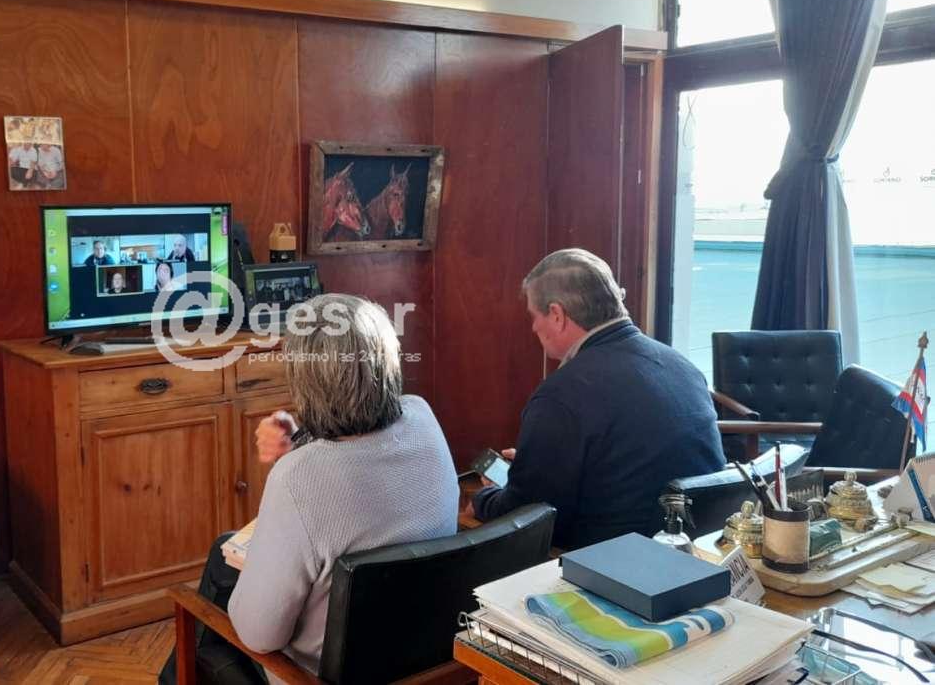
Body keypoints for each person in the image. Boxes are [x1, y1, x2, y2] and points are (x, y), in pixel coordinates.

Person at [158, 294, 458, 683]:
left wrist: (296, 454)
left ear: (303, 380)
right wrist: (300, 436)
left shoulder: (298, 478)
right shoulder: (423, 417)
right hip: (420, 658)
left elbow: (260, 636)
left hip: (318, 676)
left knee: (203, 623)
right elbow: (359, 450)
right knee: (224, 550)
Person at [471, 248, 724, 550]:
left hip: (611, 561)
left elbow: (526, 516)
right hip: (698, 548)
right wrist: (535, 461)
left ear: (556, 315)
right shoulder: (683, 366)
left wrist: (484, 498)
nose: (534, 327)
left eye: (533, 316)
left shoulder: (562, 394)